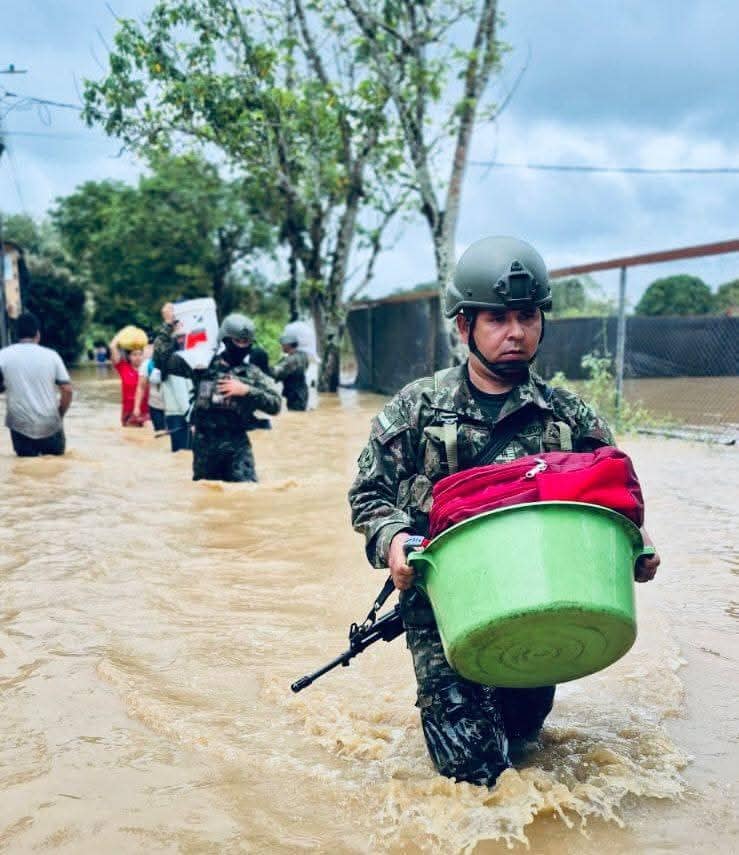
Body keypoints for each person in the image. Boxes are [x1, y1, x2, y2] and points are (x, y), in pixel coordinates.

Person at [348, 236, 661, 787]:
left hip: (538, 603)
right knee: (473, 777)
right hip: (442, 613)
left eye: (526, 316)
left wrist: (637, 546)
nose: (514, 332)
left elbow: (614, 501)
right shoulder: (416, 408)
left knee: (525, 743)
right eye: (496, 319)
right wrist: (394, 540)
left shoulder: (570, 416)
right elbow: (368, 495)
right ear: (464, 325)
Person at [153, 304, 281, 481]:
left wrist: (246, 390)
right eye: (239, 341)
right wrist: (168, 326)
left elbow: (276, 404)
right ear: (226, 340)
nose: (243, 346)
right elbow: (162, 362)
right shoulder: (202, 365)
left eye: (247, 342)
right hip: (205, 445)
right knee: (206, 497)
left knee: (245, 494)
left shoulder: (253, 373)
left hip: (237, 445)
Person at [0, 311, 73, 456]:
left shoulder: (3, 355)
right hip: (51, 424)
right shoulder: (52, 355)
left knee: (25, 472)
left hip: (20, 426)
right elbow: (67, 390)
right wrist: (60, 413)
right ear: (38, 334)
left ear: (16, 335)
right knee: (57, 472)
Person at [110, 331, 149, 426]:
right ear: (129, 356)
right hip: (128, 411)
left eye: (140, 354)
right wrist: (122, 334)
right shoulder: (123, 367)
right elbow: (112, 347)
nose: (138, 357)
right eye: (134, 355)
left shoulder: (148, 367)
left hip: (146, 411)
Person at [271, 331, 309, 411]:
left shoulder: (290, 360)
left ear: (288, 345)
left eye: (283, 345)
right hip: (303, 391)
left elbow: (276, 374)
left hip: (295, 395)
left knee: (295, 417)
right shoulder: (303, 355)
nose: (281, 347)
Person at [133, 345, 166, 431]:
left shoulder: (176, 361)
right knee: (160, 433)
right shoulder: (147, 364)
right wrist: (137, 407)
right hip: (156, 406)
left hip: (175, 408)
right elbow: (141, 387)